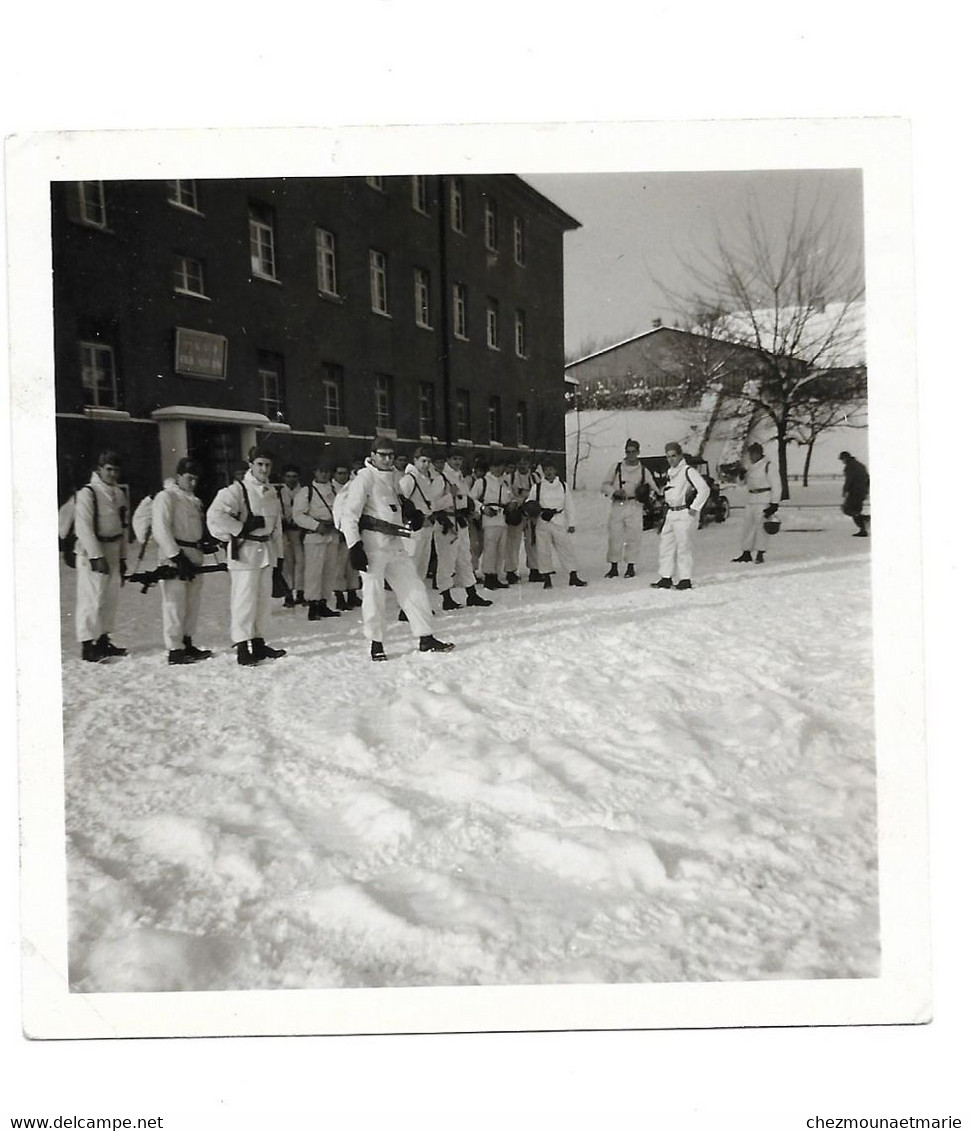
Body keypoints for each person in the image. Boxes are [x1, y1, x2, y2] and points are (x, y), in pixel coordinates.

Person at [337, 438, 454, 661]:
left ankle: (425, 636)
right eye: (382, 455)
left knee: (414, 587)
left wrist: (413, 513)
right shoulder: (364, 478)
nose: (388, 459)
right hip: (372, 546)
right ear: (372, 456)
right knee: (374, 595)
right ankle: (376, 642)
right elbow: (350, 514)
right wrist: (355, 546)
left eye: (391, 455)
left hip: (395, 544)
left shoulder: (392, 478)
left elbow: (396, 507)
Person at [206, 447, 287, 666]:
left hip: (266, 552)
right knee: (244, 601)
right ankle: (242, 646)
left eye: (267, 464)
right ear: (251, 464)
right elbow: (214, 516)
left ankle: (259, 643)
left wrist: (279, 557)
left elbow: (276, 527)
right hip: (245, 553)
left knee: (262, 601)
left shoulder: (271, 492)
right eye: (259, 464)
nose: (264, 469)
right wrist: (240, 528)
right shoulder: (237, 490)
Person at [150, 457, 214, 664]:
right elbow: (160, 529)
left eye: (196, 479)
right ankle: (175, 649)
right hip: (175, 557)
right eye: (189, 478)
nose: (193, 483)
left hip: (194, 556)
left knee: (191, 604)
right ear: (178, 477)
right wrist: (176, 557)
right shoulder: (166, 497)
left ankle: (187, 642)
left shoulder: (193, 501)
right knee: (174, 605)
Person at [73, 450, 129, 662]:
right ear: (99, 469)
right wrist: (96, 556)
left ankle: (103, 640)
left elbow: (123, 529)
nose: (113, 474)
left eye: (116, 470)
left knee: (110, 597)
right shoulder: (88, 493)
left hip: (113, 548)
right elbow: (84, 528)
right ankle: (88, 645)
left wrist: (123, 559)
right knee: (91, 598)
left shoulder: (119, 494)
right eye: (108, 469)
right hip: (93, 551)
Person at [434, 449, 492, 611]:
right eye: (454, 459)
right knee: (447, 560)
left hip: (461, 521)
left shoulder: (460, 477)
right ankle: (446, 597)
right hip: (447, 522)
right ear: (447, 460)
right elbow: (432, 504)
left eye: (459, 459)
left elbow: (467, 498)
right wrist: (449, 497)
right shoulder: (441, 478)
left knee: (465, 558)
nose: (457, 462)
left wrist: (479, 508)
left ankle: (471, 593)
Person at [650, 442, 710, 591]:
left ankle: (685, 579)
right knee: (666, 546)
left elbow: (704, 489)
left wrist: (694, 508)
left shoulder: (687, 471)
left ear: (680, 455)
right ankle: (666, 577)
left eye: (673, 456)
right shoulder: (671, 472)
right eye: (668, 456)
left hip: (684, 513)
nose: (671, 459)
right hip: (671, 513)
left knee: (683, 547)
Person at [291, 461, 342, 621]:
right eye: (321, 471)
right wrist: (315, 525)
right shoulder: (307, 491)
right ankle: (312, 605)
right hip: (314, 536)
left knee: (329, 570)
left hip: (332, 533)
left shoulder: (336, 490)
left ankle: (323, 603)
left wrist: (338, 523)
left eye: (327, 471)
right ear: (315, 472)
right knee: (314, 572)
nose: (324, 474)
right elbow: (298, 515)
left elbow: (343, 509)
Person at [601, 438, 658, 578]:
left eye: (633, 452)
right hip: (618, 505)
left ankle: (630, 566)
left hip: (635, 505)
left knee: (634, 536)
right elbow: (604, 485)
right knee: (615, 536)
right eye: (628, 451)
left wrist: (646, 495)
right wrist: (614, 492)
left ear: (638, 452)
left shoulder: (643, 470)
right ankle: (613, 566)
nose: (630, 454)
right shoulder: (616, 467)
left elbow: (655, 489)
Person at [527, 460, 587, 589]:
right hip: (543, 520)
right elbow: (529, 503)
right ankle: (546, 577)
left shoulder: (563, 486)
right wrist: (534, 512)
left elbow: (569, 505)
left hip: (559, 519)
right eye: (546, 469)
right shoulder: (537, 487)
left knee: (566, 548)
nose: (548, 472)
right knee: (543, 550)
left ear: (555, 470)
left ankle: (573, 575)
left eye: (551, 469)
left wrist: (571, 523)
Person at [732, 442, 783, 564]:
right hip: (751, 499)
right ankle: (746, 552)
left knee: (761, 528)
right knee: (748, 527)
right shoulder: (750, 467)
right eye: (751, 454)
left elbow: (776, 485)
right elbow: (742, 483)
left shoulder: (768, 466)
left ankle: (760, 553)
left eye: (754, 453)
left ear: (760, 453)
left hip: (764, 498)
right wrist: (741, 475)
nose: (752, 456)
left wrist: (774, 503)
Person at [470, 455, 513, 589]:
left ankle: (496, 575)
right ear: (491, 467)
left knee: (501, 550)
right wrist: (483, 508)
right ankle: (488, 576)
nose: (498, 469)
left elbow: (510, 497)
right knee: (490, 549)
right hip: (489, 519)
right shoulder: (482, 482)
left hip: (503, 519)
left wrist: (513, 504)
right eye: (495, 466)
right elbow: (471, 499)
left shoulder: (505, 482)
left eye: (500, 466)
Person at [504, 455, 541, 583]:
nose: (523, 466)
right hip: (517, 513)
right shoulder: (510, 478)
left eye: (525, 463)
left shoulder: (535, 478)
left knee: (532, 542)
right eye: (520, 463)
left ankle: (534, 569)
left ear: (530, 465)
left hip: (531, 513)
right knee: (513, 542)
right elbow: (507, 494)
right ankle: (511, 571)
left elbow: (539, 494)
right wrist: (516, 501)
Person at [331, 463, 362, 610]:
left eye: (345, 473)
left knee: (352, 567)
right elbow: (338, 510)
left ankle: (352, 593)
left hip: (353, 530)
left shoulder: (354, 486)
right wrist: (341, 529)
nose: (342, 476)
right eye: (340, 473)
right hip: (339, 532)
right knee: (338, 566)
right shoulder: (333, 489)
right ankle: (339, 596)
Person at [277, 465, 306, 607]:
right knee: (287, 563)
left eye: (294, 476)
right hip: (284, 531)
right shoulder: (279, 493)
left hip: (300, 531)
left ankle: (300, 592)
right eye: (288, 476)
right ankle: (288, 593)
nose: (291, 479)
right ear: (284, 477)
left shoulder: (304, 492)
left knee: (301, 562)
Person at [839, 451, 870, 537]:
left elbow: (849, 480)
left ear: (845, 458)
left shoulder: (850, 467)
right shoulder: (860, 465)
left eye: (842, 459)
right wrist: (866, 490)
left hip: (854, 491)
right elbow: (868, 478)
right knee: (855, 510)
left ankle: (866, 521)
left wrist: (845, 490)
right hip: (861, 491)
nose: (842, 461)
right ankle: (864, 525)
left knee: (849, 509)